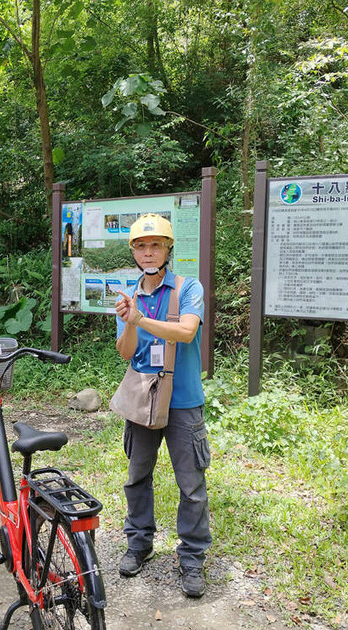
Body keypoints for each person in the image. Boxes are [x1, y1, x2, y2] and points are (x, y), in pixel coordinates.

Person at [113, 213, 211, 598]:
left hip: (183, 402)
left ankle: (192, 558)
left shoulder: (188, 288)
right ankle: (139, 543)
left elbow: (187, 331)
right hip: (143, 400)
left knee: (192, 485)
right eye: (141, 246)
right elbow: (125, 352)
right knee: (137, 476)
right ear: (134, 252)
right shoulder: (129, 297)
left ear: (169, 248)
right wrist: (131, 322)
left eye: (156, 245)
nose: (149, 252)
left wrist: (141, 318)